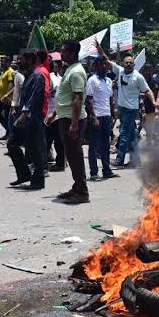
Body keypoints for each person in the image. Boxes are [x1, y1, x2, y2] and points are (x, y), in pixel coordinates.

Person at [96, 40, 157, 167]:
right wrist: (99, 48)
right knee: (132, 135)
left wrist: (154, 102)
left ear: (134, 64)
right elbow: (106, 60)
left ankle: (119, 160)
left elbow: (147, 90)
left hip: (131, 110)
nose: (128, 64)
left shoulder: (138, 77)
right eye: (126, 63)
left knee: (123, 134)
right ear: (123, 64)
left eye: (130, 63)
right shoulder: (120, 71)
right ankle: (136, 160)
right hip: (122, 109)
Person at [54, 40, 89, 204]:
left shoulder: (76, 72)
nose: (61, 54)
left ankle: (82, 192)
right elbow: (65, 95)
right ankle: (77, 187)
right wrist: (54, 113)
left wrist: (74, 124)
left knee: (75, 155)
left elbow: (77, 98)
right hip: (65, 117)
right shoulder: (69, 69)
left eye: (64, 51)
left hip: (72, 119)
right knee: (72, 154)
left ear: (73, 53)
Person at [7, 50, 46, 189]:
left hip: (32, 119)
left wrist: (23, 114)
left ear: (29, 60)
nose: (18, 61)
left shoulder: (37, 76)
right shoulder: (27, 76)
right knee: (12, 144)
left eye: (21, 59)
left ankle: (38, 180)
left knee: (34, 149)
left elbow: (34, 98)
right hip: (23, 117)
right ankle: (24, 174)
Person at [85, 57, 117, 181]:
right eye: (102, 64)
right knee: (94, 145)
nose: (105, 66)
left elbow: (110, 99)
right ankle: (93, 173)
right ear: (96, 66)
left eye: (106, 64)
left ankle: (107, 170)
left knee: (105, 145)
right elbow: (89, 100)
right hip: (96, 116)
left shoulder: (108, 81)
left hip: (107, 116)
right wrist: (93, 117)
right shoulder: (92, 80)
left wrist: (113, 112)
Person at [45, 59, 65, 171]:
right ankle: (56, 162)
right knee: (51, 141)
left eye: (56, 66)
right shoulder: (50, 78)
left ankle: (59, 163)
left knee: (54, 141)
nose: (55, 69)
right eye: (53, 66)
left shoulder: (60, 79)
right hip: (51, 112)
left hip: (55, 114)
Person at [0, 56, 14, 140]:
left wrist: (7, 95)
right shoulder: (3, 72)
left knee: (5, 115)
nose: (2, 64)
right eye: (1, 62)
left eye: (3, 62)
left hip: (5, 98)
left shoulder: (10, 71)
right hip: (0, 97)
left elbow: (11, 83)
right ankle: (8, 131)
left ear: (8, 63)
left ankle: (9, 132)